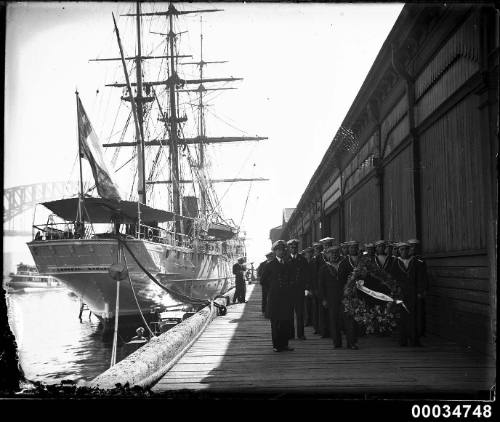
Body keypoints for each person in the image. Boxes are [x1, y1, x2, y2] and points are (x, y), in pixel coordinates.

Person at [388, 242, 425, 347]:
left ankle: (414, 340)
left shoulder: (415, 262)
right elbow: (391, 279)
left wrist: (420, 291)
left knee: (413, 316)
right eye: (402, 250)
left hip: (413, 293)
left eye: (406, 249)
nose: (404, 252)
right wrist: (394, 291)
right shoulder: (395, 263)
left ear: (409, 250)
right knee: (401, 316)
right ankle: (402, 340)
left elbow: (421, 278)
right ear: (399, 251)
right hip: (400, 294)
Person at [261, 240, 294, 352]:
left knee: (285, 321)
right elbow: (263, 280)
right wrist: (271, 289)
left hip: (285, 297)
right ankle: (277, 345)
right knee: (275, 322)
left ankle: (285, 344)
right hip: (275, 298)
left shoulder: (287, 264)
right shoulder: (270, 265)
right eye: (278, 250)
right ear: (275, 251)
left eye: (282, 249)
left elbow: (290, 278)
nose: (281, 251)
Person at [318, 245, 345, 348]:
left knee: (347, 319)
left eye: (335, 253)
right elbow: (321, 285)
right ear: (328, 255)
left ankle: (351, 342)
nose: (334, 255)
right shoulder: (324, 268)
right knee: (334, 320)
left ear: (338, 254)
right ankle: (337, 343)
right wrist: (324, 299)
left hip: (344, 297)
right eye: (331, 253)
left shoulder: (343, 266)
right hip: (331, 298)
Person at [338, 240, 360, 349]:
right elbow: (341, 280)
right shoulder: (344, 263)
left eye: (355, 248)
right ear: (348, 249)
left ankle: (354, 340)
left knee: (358, 318)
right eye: (351, 248)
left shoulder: (363, 261)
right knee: (349, 318)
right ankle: (351, 342)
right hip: (348, 295)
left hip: (361, 294)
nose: (353, 250)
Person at [287, 239, 309, 340]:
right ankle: (290, 334)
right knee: (289, 314)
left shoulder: (302, 259)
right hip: (289, 291)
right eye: (292, 247)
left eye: (295, 247)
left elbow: (307, 275)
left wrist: (306, 288)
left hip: (300, 290)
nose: (294, 249)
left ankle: (301, 334)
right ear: (289, 248)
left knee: (300, 313)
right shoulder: (285, 259)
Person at [407, 239, 429, 337]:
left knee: (419, 312)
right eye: (411, 247)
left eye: (414, 247)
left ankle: (419, 332)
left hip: (418, 290)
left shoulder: (420, 260)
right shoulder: (407, 259)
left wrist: (422, 290)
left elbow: (423, 277)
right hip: (409, 291)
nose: (412, 249)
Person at [311, 241, 327, 336]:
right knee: (318, 309)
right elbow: (314, 275)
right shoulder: (316, 259)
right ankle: (319, 328)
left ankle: (325, 329)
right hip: (318, 287)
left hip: (327, 287)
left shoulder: (327, 257)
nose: (318, 251)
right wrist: (314, 288)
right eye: (316, 249)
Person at [257, 252, 274, 317]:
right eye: (268, 256)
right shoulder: (262, 264)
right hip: (265, 283)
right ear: (267, 257)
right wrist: (262, 282)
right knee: (264, 297)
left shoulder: (274, 263)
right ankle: (264, 311)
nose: (270, 257)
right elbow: (259, 273)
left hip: (272, 284)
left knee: (271, 298)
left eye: (271, 256)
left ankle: (270, 311)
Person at [302, 247, 314, 327]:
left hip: (313, 286)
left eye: (310, 253)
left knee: (313, 304)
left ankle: (312, 320)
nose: (309, 254)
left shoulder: (314, 262)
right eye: (307, 253)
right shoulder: (303, 262)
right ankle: (307, 320)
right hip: (306, 287)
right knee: (306, 303)